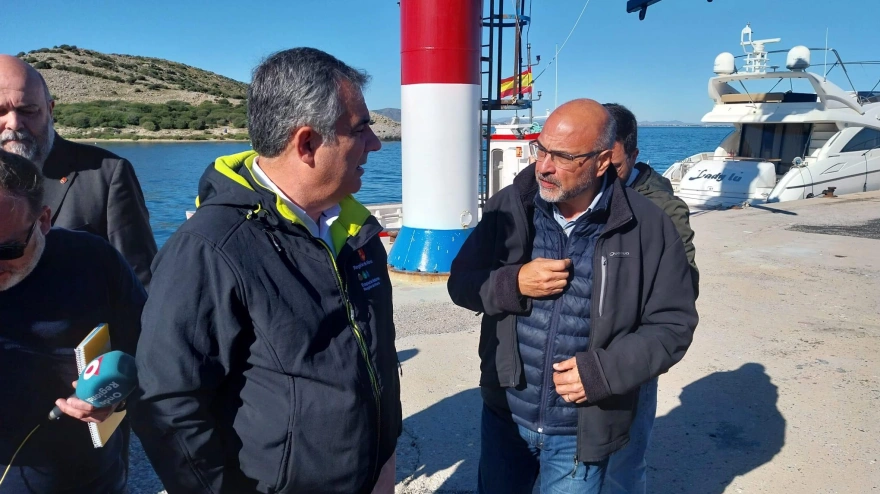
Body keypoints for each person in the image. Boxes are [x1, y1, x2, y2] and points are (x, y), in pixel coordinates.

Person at [131, 48, 401, 494]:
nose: (375, 143)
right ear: (307, 144)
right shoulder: (211, 246)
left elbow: (374, 354)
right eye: (360, 129)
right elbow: (169, 402)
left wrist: (385, 455)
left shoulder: (356, 229)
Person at [447, 99, 698, 493]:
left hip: (581, 433)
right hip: (504, 416)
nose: (543, 165)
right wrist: (511, 284)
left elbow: (673, 325)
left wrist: (603, 373)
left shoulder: (648, 225)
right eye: (541, 149)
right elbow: (461, 282)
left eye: (562, 156)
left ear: (601, 163)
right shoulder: (510, 206)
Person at [0, 149, 145, 493]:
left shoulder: (93, 260)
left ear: (45, 220)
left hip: (89, 482)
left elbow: (153, 353)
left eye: (7, 250)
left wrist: (116, 398)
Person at [599, 103, 700, 494]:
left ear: (634, 155)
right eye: (597, 162)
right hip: (577, 354)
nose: (603, 175)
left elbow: (683, 287)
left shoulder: (663, 210)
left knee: (623, 464)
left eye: (615, 165)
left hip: (629, 356)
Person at [0, 55, 157, 286]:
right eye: (0, 111)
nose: (14, 123)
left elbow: (140, 279)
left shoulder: (107, 174)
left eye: (28, 110)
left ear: (50, 111)